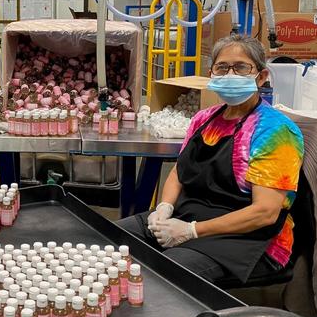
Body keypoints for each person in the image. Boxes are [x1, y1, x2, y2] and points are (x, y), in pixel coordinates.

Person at [119, 34, 304, 284]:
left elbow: (264, 213)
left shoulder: (275, 130)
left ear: (261, 76)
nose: (230, 75)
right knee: (108, 239)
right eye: (222, 67)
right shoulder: (203, 119)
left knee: (162, 273)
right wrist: (164, 208)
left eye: (241, 67)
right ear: (212, 73)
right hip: (187, 216)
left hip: (248, 238)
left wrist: (191, 231)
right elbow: (178, 173)